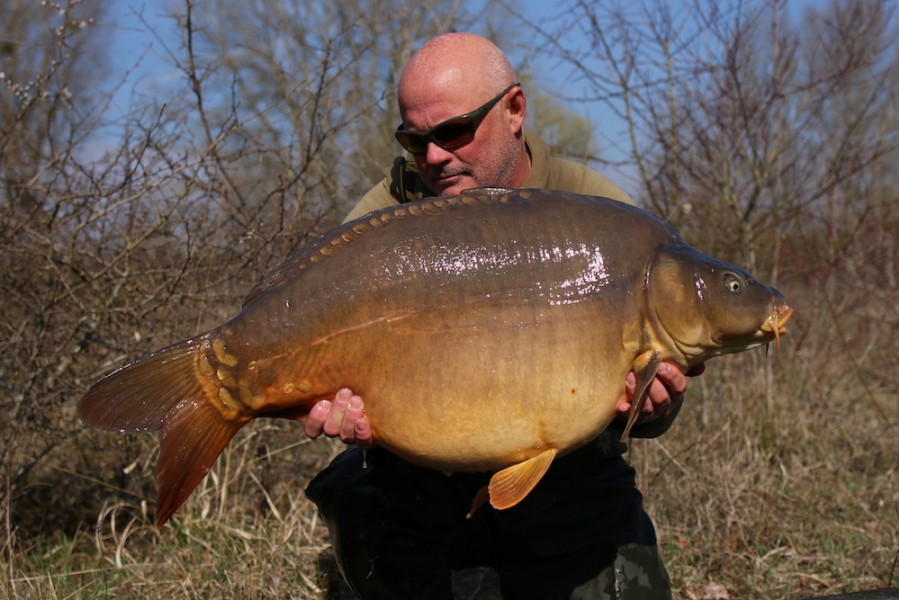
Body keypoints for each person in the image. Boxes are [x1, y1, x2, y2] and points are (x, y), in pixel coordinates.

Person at [303, 33, 699, 600]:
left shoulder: (602, 216)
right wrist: (342, 416)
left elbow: (657, 385)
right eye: (415, 140)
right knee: (360, 492)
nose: (434, 156)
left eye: (454, 132)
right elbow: (328, 358)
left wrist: (656, 405)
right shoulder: (386, 217)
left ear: (514, 110)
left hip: (568, 472)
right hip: (422, 470)